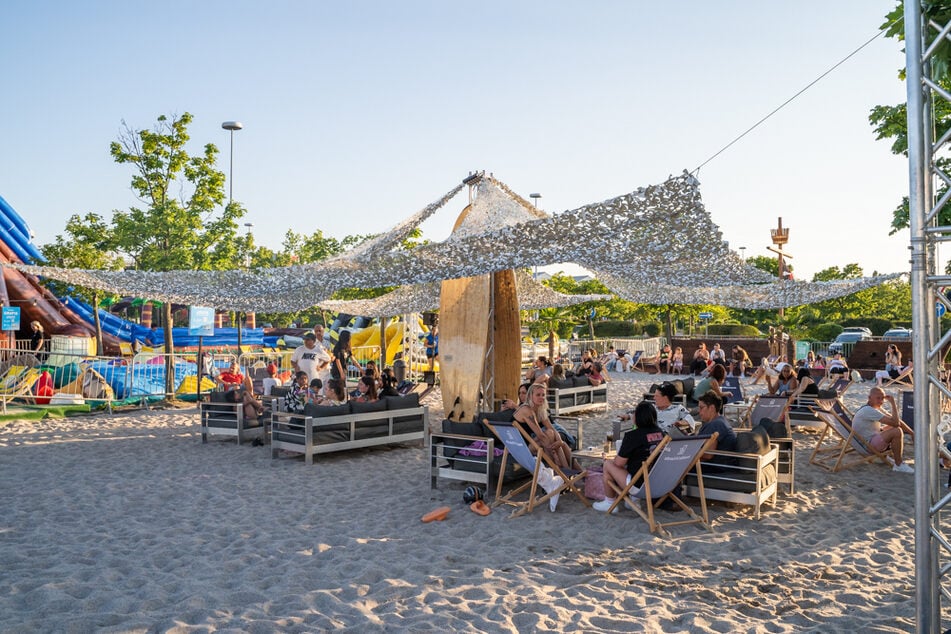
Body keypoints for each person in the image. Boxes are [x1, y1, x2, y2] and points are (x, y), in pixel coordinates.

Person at [592, 401, 665, 513]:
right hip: (660, 483)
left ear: (638, 417)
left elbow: (619, 463)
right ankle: (634, 502)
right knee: (637, 464)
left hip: (639, 486)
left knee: (608, 464)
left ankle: (610, 503)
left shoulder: (633, 436)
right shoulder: (661, 434)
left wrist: (609, 458)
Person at [513, 383, 576, 472]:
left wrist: (560, 441)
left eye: (543, 395)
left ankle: (581, 474)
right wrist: (554, 453)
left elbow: (552, 428)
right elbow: (540, 435)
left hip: (531, 443)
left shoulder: (539, 409)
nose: (541, 397)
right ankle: (563, 472)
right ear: (530, 396)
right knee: (548, 435)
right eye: (538, 395)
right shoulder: (526, 410)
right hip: (521, 448)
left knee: (561, 443)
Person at [851, 386, 914, 473]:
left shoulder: (871, 408)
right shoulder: (869, 410)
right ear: (869, 398)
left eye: (882, 398)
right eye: (878, 398)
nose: (881, 401)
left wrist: (912, 433)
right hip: (868, 445)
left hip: (866, 440)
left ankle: (890, 458)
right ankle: (898, 464)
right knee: (897, 431)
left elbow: (896, 421)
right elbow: (896, 423)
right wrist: (893, 404)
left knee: (894, 427)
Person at [695, 392, 738, 458]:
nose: (699, 411)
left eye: (701, 408)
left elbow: (707, 454)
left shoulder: (715, 425)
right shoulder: (720, 421)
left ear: (712, 408)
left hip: (714, 466)